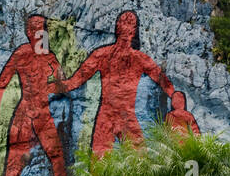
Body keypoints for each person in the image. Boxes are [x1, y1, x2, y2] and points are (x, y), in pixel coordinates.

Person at [54, 10, 177, 157]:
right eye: (123, 22)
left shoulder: (140, 59)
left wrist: (177, 101)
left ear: (134, 30)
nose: (125, 27)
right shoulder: (102, 54)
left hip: (127, 115)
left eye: (130, 23)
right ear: (117, 27)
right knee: (98, 162)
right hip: (106, 115)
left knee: (141, 162)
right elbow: (78, 79)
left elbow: (163, 81)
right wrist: (59, 85)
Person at [0, 14, 68, 176]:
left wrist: (57, 81)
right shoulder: (21, 53)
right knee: (15, 157)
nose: (38, 31)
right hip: (24, 111)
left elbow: (61, 86)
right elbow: (2, 81)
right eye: (34, 27)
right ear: (28, 32)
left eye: (41, 27)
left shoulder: (49, 56)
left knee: (56, 154)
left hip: (43, 113)